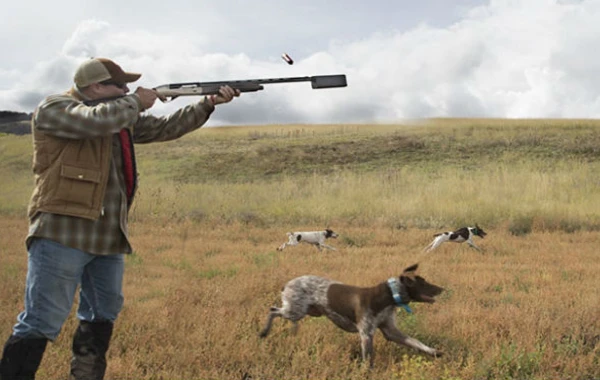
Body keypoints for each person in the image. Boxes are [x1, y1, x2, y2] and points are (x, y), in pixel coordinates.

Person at [0, 57, 240, 380]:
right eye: (119, 85)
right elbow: (95, 121)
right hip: (62, 232)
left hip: (108, 236)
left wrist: (207, 103)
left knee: (101, 318)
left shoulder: (118, 117)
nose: (127, 90)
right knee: (40, 320)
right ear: (96, 86)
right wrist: (136, 101)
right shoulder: (55, 109)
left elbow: (165, 128)